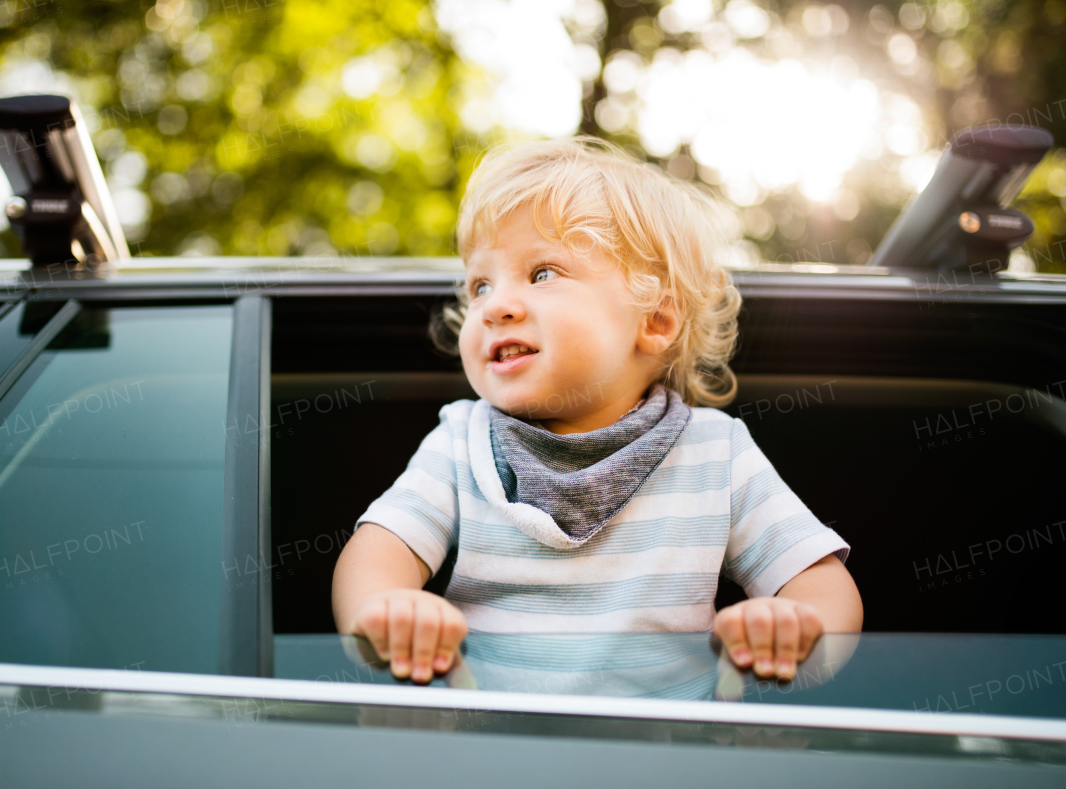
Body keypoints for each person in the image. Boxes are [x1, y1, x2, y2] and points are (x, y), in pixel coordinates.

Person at [332, 137, 862, 685]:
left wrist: (795, 626)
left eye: (542, 273)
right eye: (480, 284)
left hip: (663, 762)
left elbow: (820, 583)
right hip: (490, 758)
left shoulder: (715, 451)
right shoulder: (459, 441)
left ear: (655, 320)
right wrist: (388, 609)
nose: (494, 306)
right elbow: (376, 553)